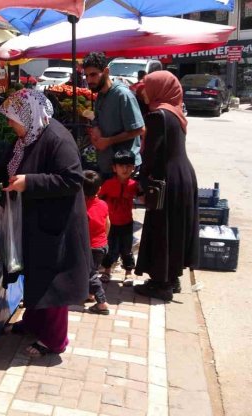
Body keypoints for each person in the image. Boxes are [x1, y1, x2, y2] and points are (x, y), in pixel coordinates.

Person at [0, 89, 91, 356]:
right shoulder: (27, 137)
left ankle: (55, 341)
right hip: (33, 219)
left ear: (28, 115)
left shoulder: (57, 139)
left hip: (55, 223)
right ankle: (33, 322)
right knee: (35, 273)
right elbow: (7, 167)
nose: (9, 123)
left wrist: (29, 182)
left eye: (12, 118)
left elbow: (72, 180)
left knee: (52, 281)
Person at [133, 71, 199, 301]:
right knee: (175, 228)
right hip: (182, 177)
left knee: (162, 228)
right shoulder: (175, 111)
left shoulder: (158, 116)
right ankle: (172, 277)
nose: (143, 92)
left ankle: (161, 284)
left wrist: (142, 182)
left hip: (166, 178)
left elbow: (152, 155)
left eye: (147, 88)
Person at [83, 52, 145, 178]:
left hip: (124, 168)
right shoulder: (100, 95)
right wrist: (96, 129)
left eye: (93, 74)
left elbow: (139, 129)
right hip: (107, 164)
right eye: (87, 75)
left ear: (106, 71)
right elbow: (97, 118)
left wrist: (109, 141)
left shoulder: (123, 95)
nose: (89, 80)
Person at [98, 150, 140, 285]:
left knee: (127, 249)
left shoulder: (134, 185)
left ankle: (128, 272)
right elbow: (99, 199)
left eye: (129, 166)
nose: (125, 169)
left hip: (127, 223)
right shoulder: (108, 184)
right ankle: (106, 270)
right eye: (121, 166)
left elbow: (143, 197)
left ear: (133, 168)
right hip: (110, 223)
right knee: (109, 248)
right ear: (114, 168)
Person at [83, 170, 110, 315]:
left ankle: (102, 303)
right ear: (99, 189)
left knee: (90, 274)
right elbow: (107, 224)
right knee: (92, 270)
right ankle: (90, 294)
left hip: (90, 247)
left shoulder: (81, 208)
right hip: (102, 245)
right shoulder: (103, 205)